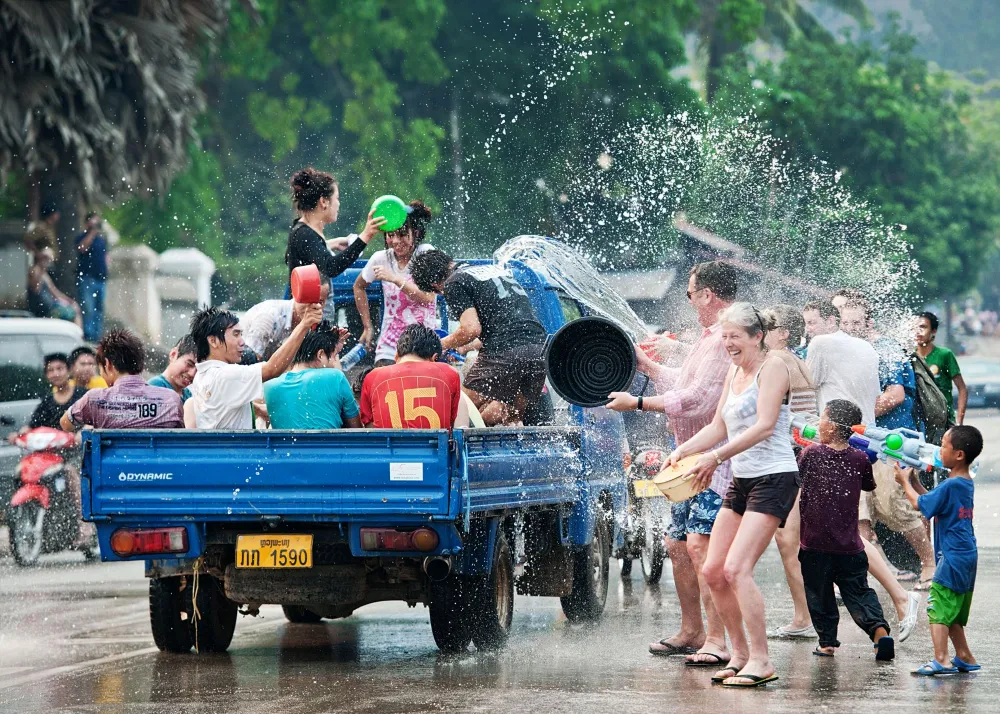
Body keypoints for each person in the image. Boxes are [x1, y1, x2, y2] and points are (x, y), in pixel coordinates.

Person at [605, 261, 737, 664]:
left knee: (702, 548)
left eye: (691, 292)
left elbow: (699, 398)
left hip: (713, 463)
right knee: (677, 545)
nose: (690, 300)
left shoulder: (723, 339)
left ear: (708, 295)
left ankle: (717, 640)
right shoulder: (708, 337)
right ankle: (692, 630)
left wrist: (639, 402)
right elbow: (683, 382)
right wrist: (647, 367)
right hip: (687, 459)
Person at [667, 302, 798, 687]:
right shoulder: (733, 371)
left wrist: (714, 456)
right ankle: (738, 654)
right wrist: (684, 450)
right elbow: (718, 425)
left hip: (774, 477)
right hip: (741, 481)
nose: (728, 344)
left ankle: (762, 659)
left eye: (735, 337)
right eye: (724, 337)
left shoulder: (773, 367)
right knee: (712, 569)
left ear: (757, 336)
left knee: (736, 569)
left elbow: (764, 425)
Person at [805, 298, 920, 638]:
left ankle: (899, 598)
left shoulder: (822, 345)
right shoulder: (866, 350)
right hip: (858, 447)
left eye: (812, 322)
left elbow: (805, 388)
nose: (808, 329)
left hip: (834, 449)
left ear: (829, 321)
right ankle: (840, 607)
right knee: (855, 528)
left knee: (852, 531)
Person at [840, 300, 936, 589]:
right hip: (860, 443)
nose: (850, 328)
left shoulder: (886, 350)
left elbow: (894, 395)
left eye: (856, 323)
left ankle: (929, 562)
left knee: (896, 510)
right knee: (859, 514)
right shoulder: (846, 352)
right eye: (845, 323)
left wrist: (854, 419)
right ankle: (855, 578)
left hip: (892, 444)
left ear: (869, 323)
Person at [797, 400, 894, 661]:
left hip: (814, 544)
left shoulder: (811, 455)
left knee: (819, 593)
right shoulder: (860, 458)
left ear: (831, 426)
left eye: (822, 418)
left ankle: (827, 643)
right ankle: (880, 633)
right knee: (859, 591)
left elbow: (797, 478)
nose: (818, 422)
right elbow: (868, 486)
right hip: (850, 545)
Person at [411, 250, 547, 426]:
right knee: (512, 419)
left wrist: (438, 345)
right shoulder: (488, 271)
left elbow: (471, 329)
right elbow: (506, 325)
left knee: (456, 411)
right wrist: (462, 347)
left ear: (435, 284)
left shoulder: (454, 282)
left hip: (505, 351)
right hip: (539, 350)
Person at [895, 425, 982, 676]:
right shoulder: (963, 483)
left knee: (937, 607)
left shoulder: (950, 486)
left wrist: (903, 481)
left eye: (943, 445)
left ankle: (941, 660)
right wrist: (915, 482)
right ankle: (964, 656)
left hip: (953, 555)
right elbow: (934, 503)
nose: (937, 450)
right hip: (965, 553)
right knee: (951, 608)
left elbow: (920, 506)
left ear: (959, 455)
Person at [761, 304, 817, 639]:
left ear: (783, 333)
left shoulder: (777, 361)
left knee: (787, 540)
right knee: (797, 540)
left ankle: (803, 617)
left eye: (768, 326)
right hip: (805, 458)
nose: (761, 331)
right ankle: (806, 614)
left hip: (794, 459)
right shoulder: (797, 359)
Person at [187, 304, 322, 430]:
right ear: (213, 341)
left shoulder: (202, 374)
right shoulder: (225, 375)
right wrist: (304, 325)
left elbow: (224, 404)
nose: (242, 342)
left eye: (241, 334)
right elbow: (272, 369)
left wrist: (256, 409)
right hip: (236, 454)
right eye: (235, 334)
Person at [354, 201, 438, 367]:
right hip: (389, 346)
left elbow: (428, 297)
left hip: (423, 345)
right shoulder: (381, 258)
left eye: (402, 235)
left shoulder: (425, 253)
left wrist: (395, 279)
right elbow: (358, 286)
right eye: (390, 235)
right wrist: (367, 326)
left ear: (416, 232)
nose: (396, 241)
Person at [60, 330, 183, 430]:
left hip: (109, 460)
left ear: (107, 364)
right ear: (140, 363)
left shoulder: (94, 399)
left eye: (100, 369)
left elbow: (66, 424)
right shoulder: (171, 399)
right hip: (158, 460)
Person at [284, 167, 386, 284]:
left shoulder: (302, 230)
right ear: (324, 202)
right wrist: (366, 235)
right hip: (308, 303)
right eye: (337, 198)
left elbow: (295, 254)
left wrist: (334, 243)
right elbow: (331, 267)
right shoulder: (304, 234)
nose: (338, 203)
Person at [359, 324, 469, 429]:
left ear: (396, 355)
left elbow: (370, 429)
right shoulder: (449, 373)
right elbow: (454, 424)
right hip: (436, 448)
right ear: (435, 358)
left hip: (389, 448)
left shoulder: (372, 376)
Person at [264, 321, 362, 430]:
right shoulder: (335, 378)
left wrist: (332, 347)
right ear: (320, 354)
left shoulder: (270, 385)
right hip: (327, 446)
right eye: (335, 356)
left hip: (285, 447)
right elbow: (357, 430)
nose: (335, 362)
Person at [240, 281, 344, 361]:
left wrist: (332, 351)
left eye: (320, 301)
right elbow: (249, 365)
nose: (314, 306)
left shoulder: (314, 325)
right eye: (309, 299)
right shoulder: (268, 317)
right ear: (296, 293)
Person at [6, 354, 87, 443]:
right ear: (46, 375)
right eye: (50, 370)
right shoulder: (47, 402)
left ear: (69, 371)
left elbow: (97, 419)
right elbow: (32, 427)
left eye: (60, 369)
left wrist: (84, 432)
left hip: (81, 451)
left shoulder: (83, 395)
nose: (56, 374)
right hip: (55, 452)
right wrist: (18, 435)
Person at [915, 311, 968, 425]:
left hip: (944, 420)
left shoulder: (944, 355)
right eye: (915, 327)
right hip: (919, 422)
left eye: (923, 327)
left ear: (933, 331)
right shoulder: (909, 357)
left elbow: (962, 389)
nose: (918, 331)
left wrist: (959, 420)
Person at [26, 247, 82, 327]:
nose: (48, 261)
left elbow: (55, 292)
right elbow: (35, 288)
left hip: (52, 307)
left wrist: (70, 301)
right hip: (43, 310)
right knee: (73, 313)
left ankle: (78, 336)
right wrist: (41, 263)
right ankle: (78, 336)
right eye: (46, 258)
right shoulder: (34, 271)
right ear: (39, 257)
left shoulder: (44, 274)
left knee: (75, 309)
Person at [75, 212, 108, 342]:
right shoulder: (81, 237)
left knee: (99, 309)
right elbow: (81, 248)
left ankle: (97, 336)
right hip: (87, 279)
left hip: (101, 279)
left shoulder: (102, 239)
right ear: (87, 222)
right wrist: (92, 233)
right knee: (88, 309)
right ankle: (88, 337)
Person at [148, 335, 197, 403]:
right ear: (173, 355)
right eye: (189, 364)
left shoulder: (188, 394)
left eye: (198, 369)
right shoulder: (156, 387)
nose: (192, 373)